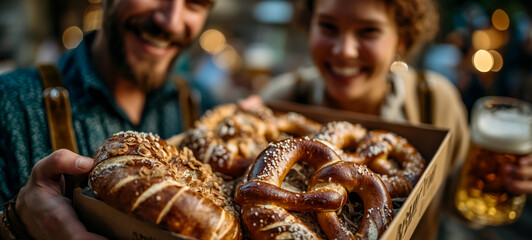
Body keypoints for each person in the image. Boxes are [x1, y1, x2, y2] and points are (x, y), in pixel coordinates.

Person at [0, 0, 217, 239]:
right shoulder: (11, 103)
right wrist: (15, 222)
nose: (171, 22)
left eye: (196, 3)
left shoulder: (203, 107)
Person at [259, 0, 470, 239]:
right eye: (328, 26)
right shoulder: (280, 97)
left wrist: (500, 183)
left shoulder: (434, 99)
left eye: (368, 31)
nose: (344, 50)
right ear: (310, 27)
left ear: (402, 37)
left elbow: (460, 206)